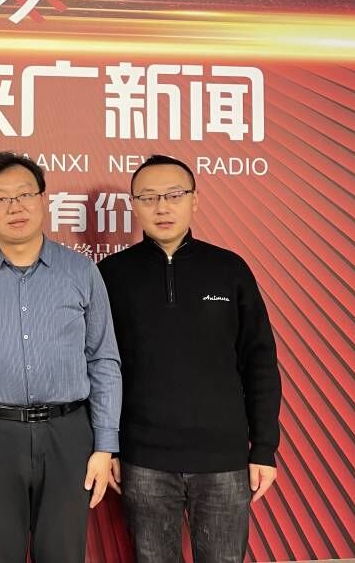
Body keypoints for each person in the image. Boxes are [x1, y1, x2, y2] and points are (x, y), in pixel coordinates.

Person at [0, 151, 122, 563]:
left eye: (24, 194)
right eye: (0, 199)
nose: (14, 207)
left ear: (43, 199)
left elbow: (103, 360)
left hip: (68, 434)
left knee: (64, 554)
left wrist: (105, 445)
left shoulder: (81, 272)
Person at [97, 154, 281, 563]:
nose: (162, 207)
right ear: (134, 205)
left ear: (194, 200)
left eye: (174, 195)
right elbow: (99, 369)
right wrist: (107, 447)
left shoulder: (229, 269)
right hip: (143, 459)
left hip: (223, 460)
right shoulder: (110, 275)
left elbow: (260, 363)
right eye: (148, 197)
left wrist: (264, 448)